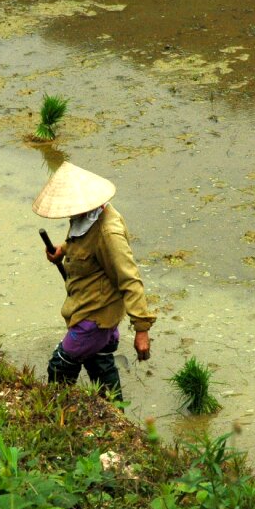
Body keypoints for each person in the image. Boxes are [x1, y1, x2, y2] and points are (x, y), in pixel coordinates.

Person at [32, 162, 156, 401]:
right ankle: (116, 417)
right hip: (85, 306)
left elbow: (130, 280)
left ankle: (59, 414)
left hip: (95, 317)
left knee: (61, 365)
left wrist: (142, 330)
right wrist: (63, 250)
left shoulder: (109, 232)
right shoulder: (86, 217)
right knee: (100, 365)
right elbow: (82, 242)